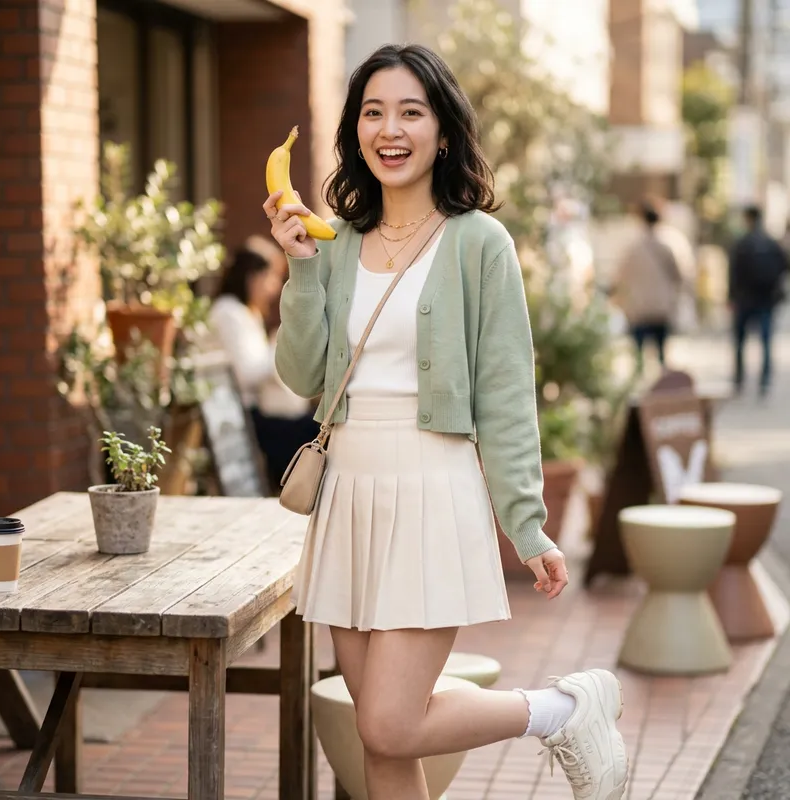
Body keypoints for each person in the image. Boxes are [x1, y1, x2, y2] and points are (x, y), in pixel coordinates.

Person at [264, 44, 628, 800]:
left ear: (443, 133)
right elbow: (300, 376)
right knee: (385, 743)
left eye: (410, 111)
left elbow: (503, 391)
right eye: (372, 112)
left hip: (432, 488)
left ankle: (561, 709)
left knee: (391, 724)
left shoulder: (478, 243)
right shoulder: (335, 244)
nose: (389, 129)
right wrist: (299, 269)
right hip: (351, 493)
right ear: (355, 131)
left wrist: (526, 524)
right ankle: (560, 710)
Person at [207, 239, 320, 490]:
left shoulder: (246, 312)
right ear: (252, 277)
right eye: (271, 278)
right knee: (314, 435)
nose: (275, 288)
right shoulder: (229, 312)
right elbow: (248, 372)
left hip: (260, 412)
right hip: (245, 417)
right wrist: (283, 342)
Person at [612, 202, 683, 370]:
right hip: (661, 307)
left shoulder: (633, 246)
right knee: (661, 355)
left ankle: (640, 387)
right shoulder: (670, 244)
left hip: (639, 308)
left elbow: (620, 276)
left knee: (638, 357)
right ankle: (663, 389)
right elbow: (679, 275)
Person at [728, 205, 788, 396]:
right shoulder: (772, 243)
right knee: (766, 341)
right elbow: (784, 267)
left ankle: (739, 378)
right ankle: (765, 380)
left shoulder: (742, 243)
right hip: (766, 299)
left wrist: (731, 296)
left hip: (744, 299)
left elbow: (733, 273)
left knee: (740, 341)